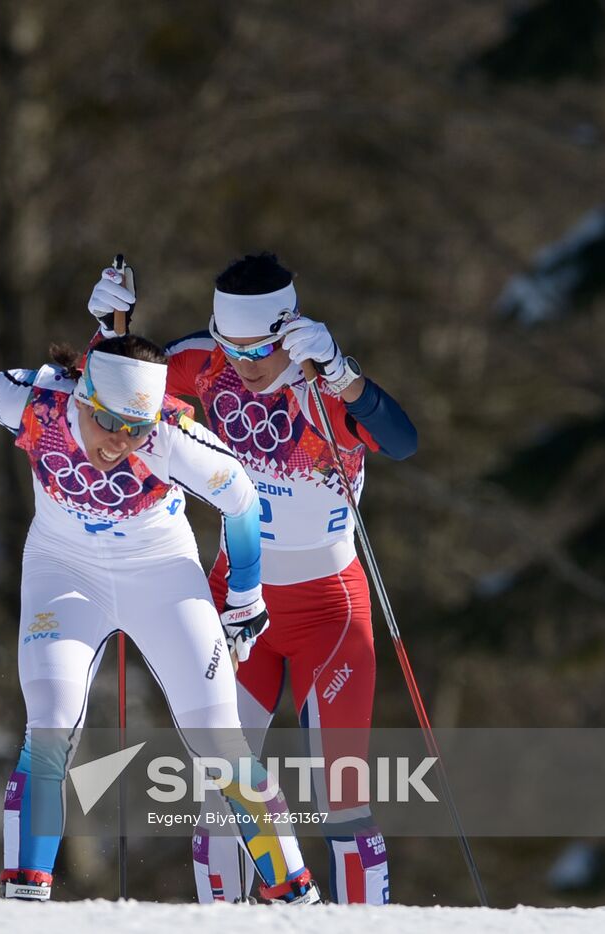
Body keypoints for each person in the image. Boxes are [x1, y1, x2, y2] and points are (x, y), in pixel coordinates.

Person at [0, 333, 321, 904]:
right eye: (107, 422)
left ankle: (295, 895)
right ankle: (24, 896)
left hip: (161, 575)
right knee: (49, 727)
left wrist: (245, 596)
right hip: (64, 574)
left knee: (220, 743)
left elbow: (241, 502)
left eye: (134, 428)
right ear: (83, 397)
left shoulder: (172, 436)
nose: (119, 442)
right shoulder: (37, 400)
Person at [86, 253, 417, 905]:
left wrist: (346, 374)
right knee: (217, 798)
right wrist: (108, 328)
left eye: (261, 347)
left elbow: (402, 440)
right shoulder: (205, 364)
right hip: (238, 603)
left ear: (291, 330)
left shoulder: (325, 387)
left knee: (342, 799)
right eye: (228, 344)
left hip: (329, 611)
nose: (242, 363)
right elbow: (114, 401)